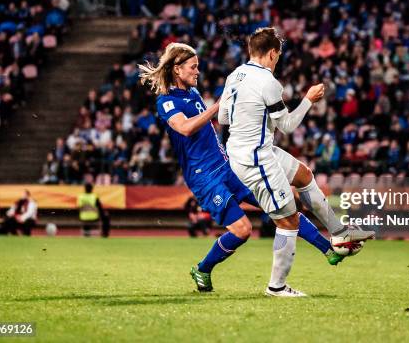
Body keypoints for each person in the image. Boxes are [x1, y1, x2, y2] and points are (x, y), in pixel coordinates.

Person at [139, 42, 347, 295]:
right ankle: (203, 268)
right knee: (243, 230)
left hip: (228, 167)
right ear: (177, 69)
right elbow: (184, 128)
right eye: (193, 67)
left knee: (282, 207)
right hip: (204, 178)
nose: (197, 72)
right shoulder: (167, 101)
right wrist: (216, 106)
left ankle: (328, 250)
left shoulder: (192, 95)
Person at [219, 27, 374, 297]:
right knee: (289, 221)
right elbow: (288, 125)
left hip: (246, 150)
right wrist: (308, 100)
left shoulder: (234, 75)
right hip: (256, 159)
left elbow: (222, 118)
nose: (278, 59)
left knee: (303, 175)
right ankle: (276, 287)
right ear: (271, 54)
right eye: (277, 55)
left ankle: (339, 232)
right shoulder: (268, 82)